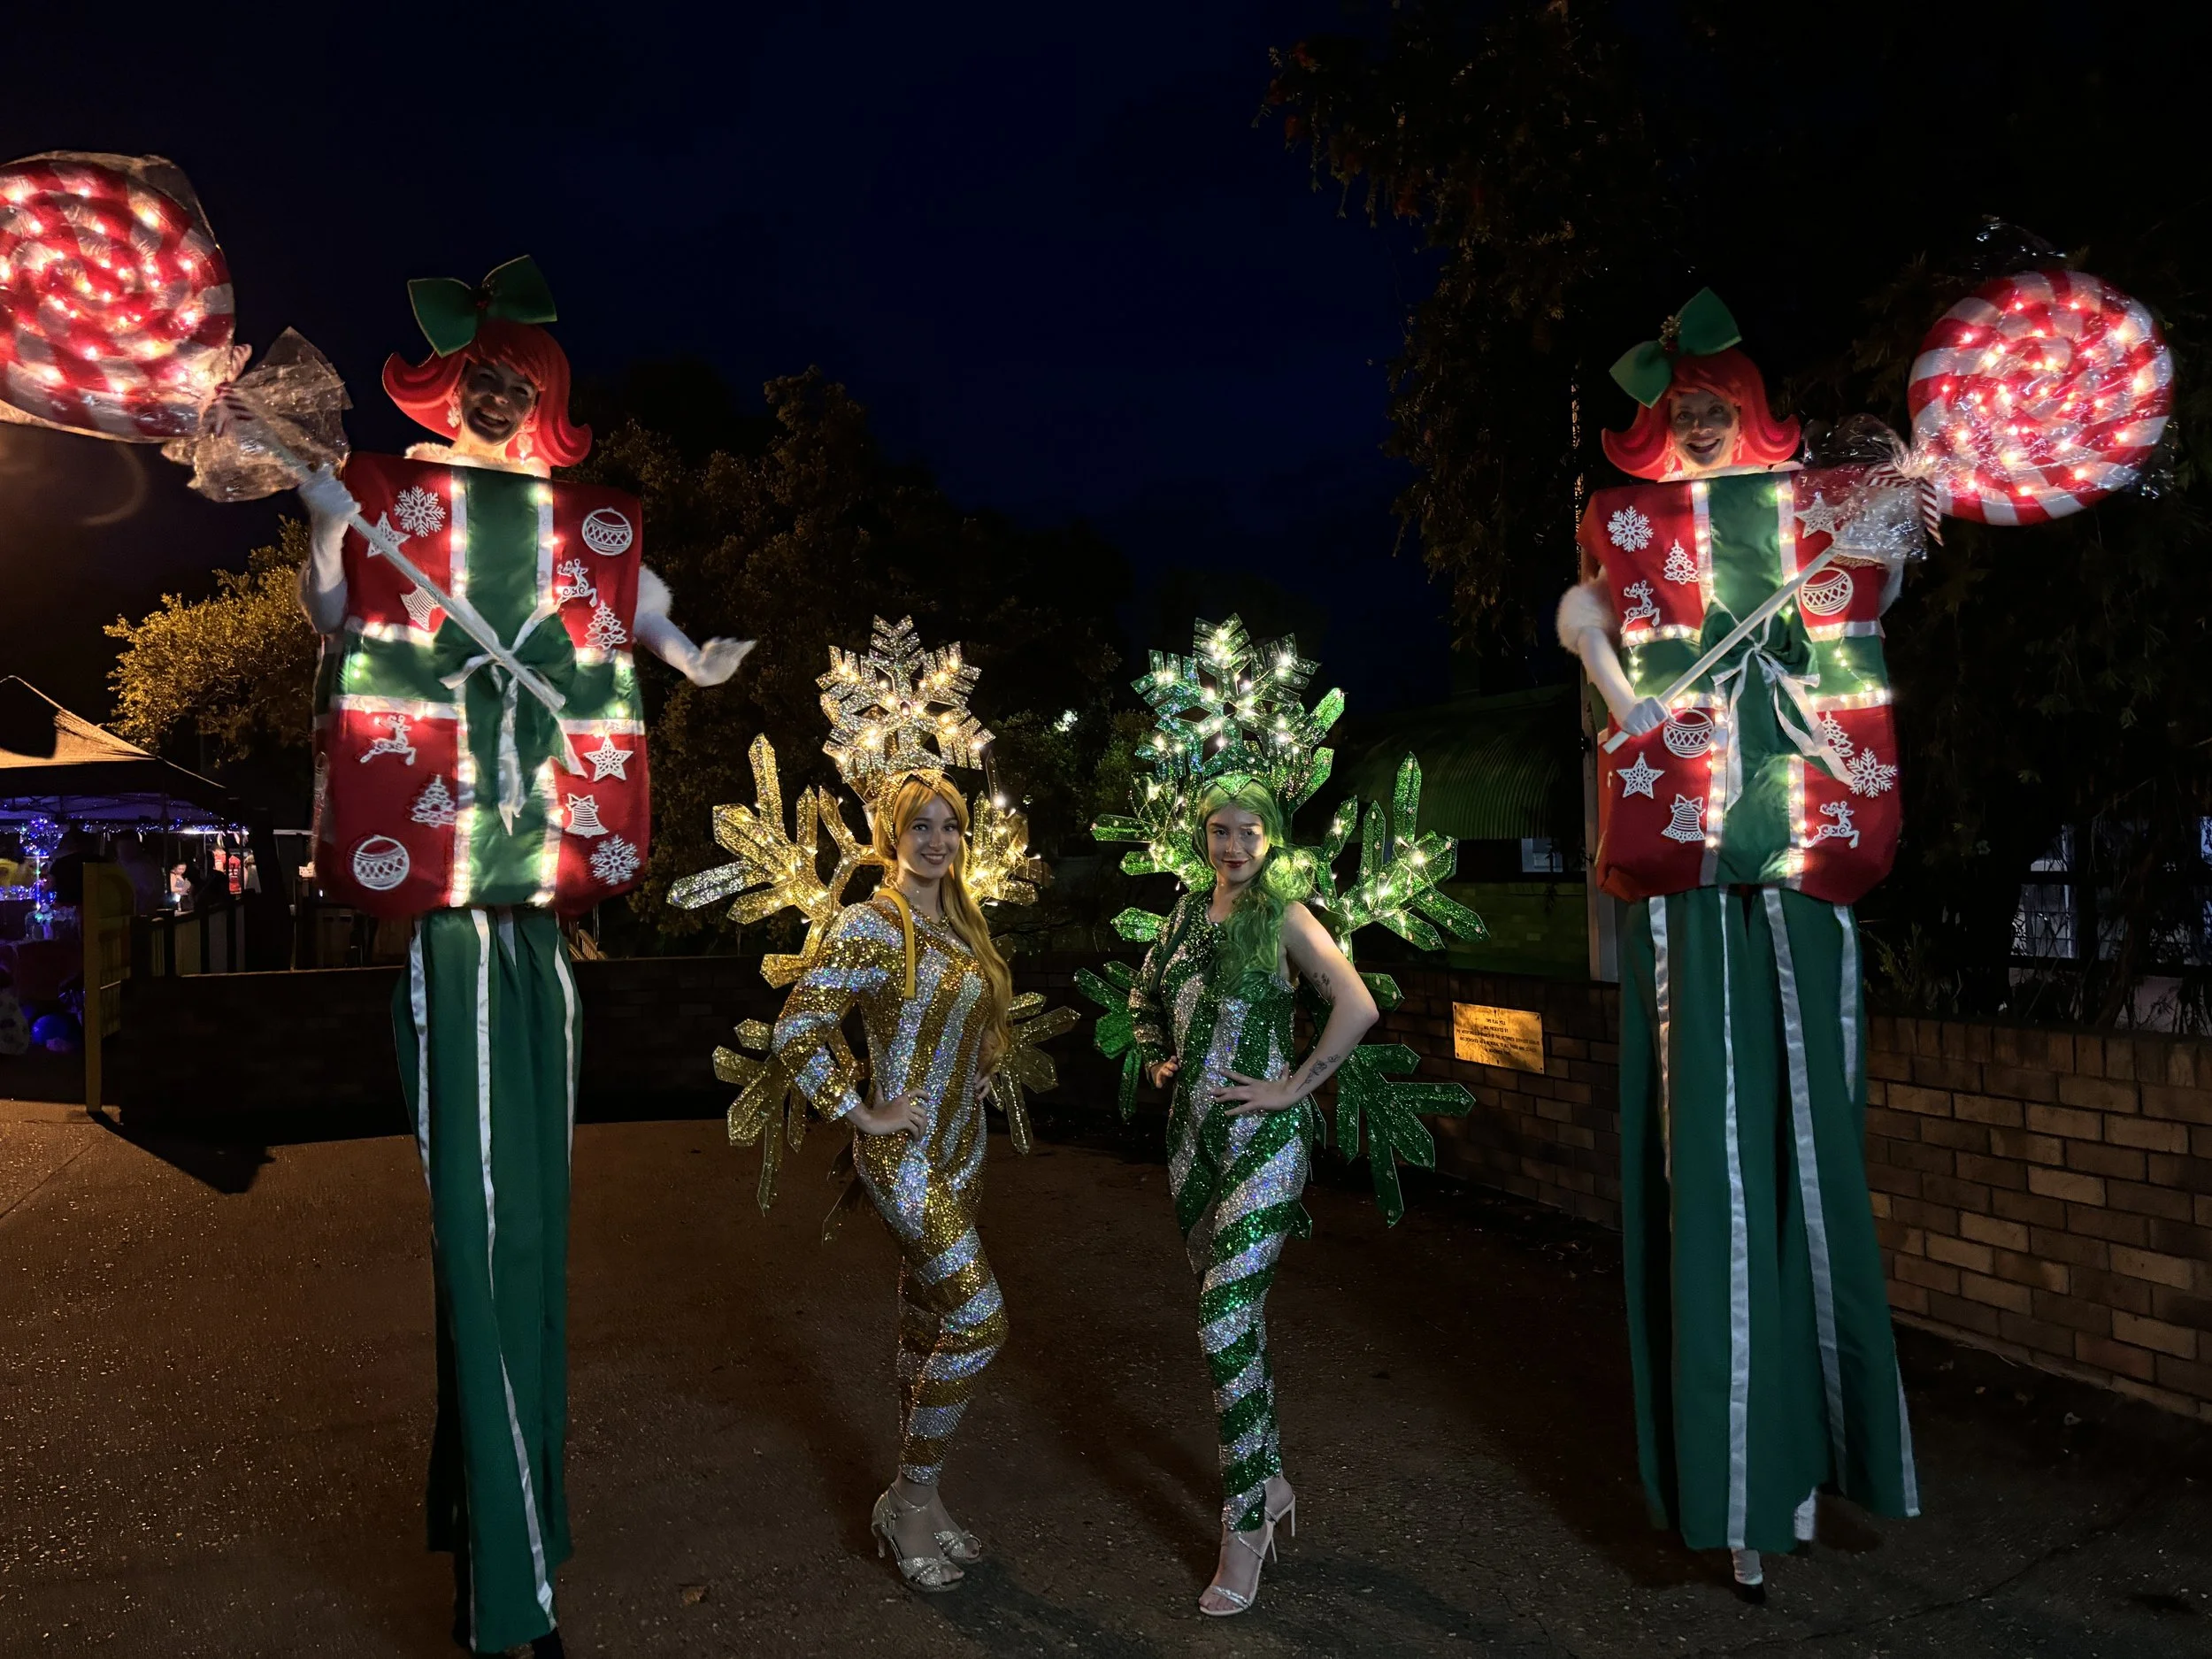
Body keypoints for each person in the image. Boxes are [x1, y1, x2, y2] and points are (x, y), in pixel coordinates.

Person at [292, 257, 750, 1658]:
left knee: (519, 1228)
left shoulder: (570, 527)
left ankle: (493, 1515)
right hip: (452, 906)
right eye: (482, 382)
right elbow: (333, 610)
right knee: (493, 1230)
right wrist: (320, 518)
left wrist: (682, 649)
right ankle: (510, 1584)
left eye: (520, 391)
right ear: (453, 385)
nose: (497, 404)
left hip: (533, 907)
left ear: (543, 408)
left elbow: (641, 594)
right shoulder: (383, 499)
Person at [1555, 289, 1920, 1601]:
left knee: (1808, 1144)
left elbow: (1865, 600)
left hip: (1797, 860)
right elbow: (1587, 619)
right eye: (1681, 415)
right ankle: (1740, 1488)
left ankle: (1811, 1464)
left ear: (1754, 413)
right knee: (1708, 1155)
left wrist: (1890, 518)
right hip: (1694, 871)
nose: (1702, 431)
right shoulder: (1635, 532)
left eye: (1719, 411)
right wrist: (1628, 698)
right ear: (1660, 430)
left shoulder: (1817, 511)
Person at [1126, 777, 1379, 1617]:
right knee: (1235, 1317)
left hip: (1264, 1147)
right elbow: (1144, 995)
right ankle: (1267, 1479)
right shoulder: (1185, 916)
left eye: (1250, 832)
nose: (1234, 847)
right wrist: (1159, 1052)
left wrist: (1293, 1087)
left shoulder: (1287, 915)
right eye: (1220, 831)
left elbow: (1357, 1004)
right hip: (1192, 1146)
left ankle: (1244, 1528)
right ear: (1203, 836)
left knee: (1224, 1315)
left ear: (1272, 837)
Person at [765, 772, 1016, 1593]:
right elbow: (798, 1023)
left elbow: (973, 1022)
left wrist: (981, 1068)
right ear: (891, 837)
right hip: (903, 1159)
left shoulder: (963, 923)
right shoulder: (874, 923)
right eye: (920, 827)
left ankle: (927, 1499)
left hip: (962, 1150)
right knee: (979, 1319)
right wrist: (859, 1110)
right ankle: (906, 1502)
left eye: (949, 825)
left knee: (925, 1327)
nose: (937, 840)